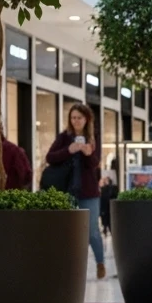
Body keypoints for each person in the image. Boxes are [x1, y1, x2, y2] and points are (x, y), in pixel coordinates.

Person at [46, 103, 106, 280]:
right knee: (68, 230)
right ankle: (70, 266)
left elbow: (95, 164)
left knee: (92, 230)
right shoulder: (65, 137)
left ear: (86, 119)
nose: (76, 121)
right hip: (67, 189)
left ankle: (100, 263)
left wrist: (88, 153)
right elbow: (50, 157)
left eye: (79, 117)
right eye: (73, 118)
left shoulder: (93, 137)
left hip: (88, 191)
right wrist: (68, 150)